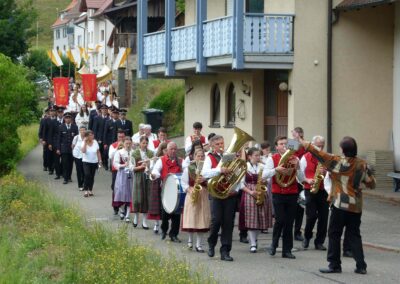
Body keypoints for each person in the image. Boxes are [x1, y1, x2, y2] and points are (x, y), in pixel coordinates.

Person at [299, 136, 375, 275]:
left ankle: (334, 265)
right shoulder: (362, 164)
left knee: (334, 234)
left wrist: (302, 141)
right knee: (354, 235)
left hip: (340, 204)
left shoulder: (338, 162)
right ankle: (361, 265)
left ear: (343, 150)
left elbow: (319, 153)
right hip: (356, 206)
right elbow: (372, 183)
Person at [265, 136, 303, 259]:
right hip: (278, 192)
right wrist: (276, 170)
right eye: (281, 144)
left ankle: (287, 250)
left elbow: (301, 179)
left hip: (292, 192)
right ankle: (274, 244)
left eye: (286, 143)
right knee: (280, 220)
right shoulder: (272, 158)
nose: (284, 145)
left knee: (289, 222)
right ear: (276, 147)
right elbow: (265, 175)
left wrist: (298, 167)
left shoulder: (295, 158)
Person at [201, 135, 238, 261]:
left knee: (228, 223)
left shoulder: (229, 156)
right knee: (216, 220)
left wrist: (235, 188)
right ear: (212, 145)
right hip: (216, 193)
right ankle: (211, 243)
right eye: (217, 144)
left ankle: (225, 251)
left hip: (229, 193)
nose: (220, 146)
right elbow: (204, 173)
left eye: (222, 143)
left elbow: (238, 173)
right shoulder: (209, 157)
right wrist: (219, 170)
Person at [239, 147, 273, 253]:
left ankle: (255, 238)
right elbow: (240, 183)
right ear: (249, 156)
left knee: (260, 219)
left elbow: (268, 180)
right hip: (249, 193)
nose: (258, 157)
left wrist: (264, 183)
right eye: (256, 155)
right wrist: (250, 192)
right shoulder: (244, 167)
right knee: (251, 219)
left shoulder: (262, 166)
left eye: (259, 155)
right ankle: (253, 243)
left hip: (261, 192)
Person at [300, 135, 329, 251]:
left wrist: (326, 172)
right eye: (318, 146)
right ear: (312, 146)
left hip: (323, 190)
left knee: (324, 217)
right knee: (311, 216)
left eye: (322, 146)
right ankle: (307, 237)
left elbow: (332, 174)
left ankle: (319, 242)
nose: (320, 149)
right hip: (310, 189)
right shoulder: (305, 157)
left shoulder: (326, 158)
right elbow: (299, 174)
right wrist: (307, 180)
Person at [151, 142, 183, 242]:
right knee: (165, 213)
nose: (173, 151)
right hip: (165, 190)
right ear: (167, 150)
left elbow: (186, 172)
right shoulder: (161, 160)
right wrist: (154, 175)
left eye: (175, 149)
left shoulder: (181, 161)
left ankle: (173, 234)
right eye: (171, 149)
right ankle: (164, 230)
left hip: (177, 191)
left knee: (176, 214)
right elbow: (156, 170)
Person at [181, 148, 211, 252]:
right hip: (192, 194)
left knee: (201, 220)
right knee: (191, 218)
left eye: (202, 156)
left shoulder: (207, 169)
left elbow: (211, 181)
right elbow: (183, 182)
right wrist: (189, 190)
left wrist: (206, 181)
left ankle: (199, 244)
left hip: (203, 194)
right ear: (194, 157)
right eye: (198, 156)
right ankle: (190, 241)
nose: (201, 158)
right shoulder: (189, 168)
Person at [131, 136, 154, 229]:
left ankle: (144, 221)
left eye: (146, 143)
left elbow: (152, 167)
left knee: (146, 197)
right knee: (137, 197)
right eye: (143, 143)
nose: (144, 145)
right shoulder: (134, 153)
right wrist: (141, 167)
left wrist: (148, 165)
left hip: (147, 176)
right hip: (138, 176)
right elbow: (131, 167)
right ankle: (136, 217)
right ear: (140, 143)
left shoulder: (150, 153)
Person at [147, 142, 168, 234]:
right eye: (165, 150)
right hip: (157, 182)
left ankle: (165, 224)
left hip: (167, 182)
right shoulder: (157, 158)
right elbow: (152, 170)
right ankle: (156, 224)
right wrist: (153, 162)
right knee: (157, 204)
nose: (166, 152)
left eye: (168, 150)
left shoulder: (170, 158)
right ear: (161, 150)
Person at [113, 137, 135, 222]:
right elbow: (115, 163)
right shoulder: (119, 152)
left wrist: (132, 166)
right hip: (122, 174)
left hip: (131, 174)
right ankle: (122, 210)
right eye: (127, 143)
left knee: (130, 193)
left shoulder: (133, 152)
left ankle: (128, 214)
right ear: (124, 143)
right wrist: (123, 165)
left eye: (130, 143)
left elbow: (135, 162)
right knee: (120, 192)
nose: (128, 145)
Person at [292, 127, 306, 242]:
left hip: (302, 179)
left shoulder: (306, 145)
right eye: (294, 134)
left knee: (300, 207)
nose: (294, 136)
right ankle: (286, 230)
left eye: (295, 134)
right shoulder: (292, 144)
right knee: (290, 206)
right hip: (291, 178)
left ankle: (297, 231)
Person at [56, 112, 78, 184]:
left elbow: (77, 138)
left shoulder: (75, 127)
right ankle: (65, 178)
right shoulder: (61, 127)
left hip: (72, 149)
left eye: (69, 118)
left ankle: (69, 177)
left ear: (71, 119)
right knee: (65, 163)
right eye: (66, 118)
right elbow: (58, 139)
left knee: (70, 163)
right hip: (64, 148)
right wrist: (58, 148)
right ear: (64, 119)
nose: (68, 119)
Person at [109, 130, 126, 215]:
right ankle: (116, 207)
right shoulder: (113, 145)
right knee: (116, 188)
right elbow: (110, 156)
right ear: (117, 137)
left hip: (126, 170)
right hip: (116, 170)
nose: (121, 139)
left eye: (123, 137)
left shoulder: (127, 144)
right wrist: (117, 147)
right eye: (119, 137)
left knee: (126, 188)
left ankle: (124, 207)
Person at [81, 130, 102, 197]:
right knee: (87, 175)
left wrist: (100, 160)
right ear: (86, 136)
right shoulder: (84, 142)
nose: (91, 136)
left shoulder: (95, 142)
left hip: (94, 162)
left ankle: (90, 190)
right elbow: (83, 151)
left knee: (92, 176)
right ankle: (85, 190)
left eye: (92, 135)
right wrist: (84, 142)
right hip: (86, 161)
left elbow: (98, 152)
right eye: (90, 135)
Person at [92, 104, 109, 169]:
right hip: (99, 137)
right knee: (98, 151)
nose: (104, 110)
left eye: (105, 109)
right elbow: (95, 129)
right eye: (103, 109)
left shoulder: (109, 118)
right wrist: (96, 138)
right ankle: (97, 163)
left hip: (106, 137)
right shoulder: (97, 118)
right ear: (101, 110)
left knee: (105, 152)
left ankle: (105, 163)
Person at [72, 126, 87, 191]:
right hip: (77, 156)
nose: (82, 131)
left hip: (85, 156)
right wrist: (74, 153)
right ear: (79, 131)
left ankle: (84, 183)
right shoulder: (76, 137)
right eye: (81, 130)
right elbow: (72, 145)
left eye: (84, 130)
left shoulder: (87, 138)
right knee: (79, 171)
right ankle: (80, 185)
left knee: (84, 171)